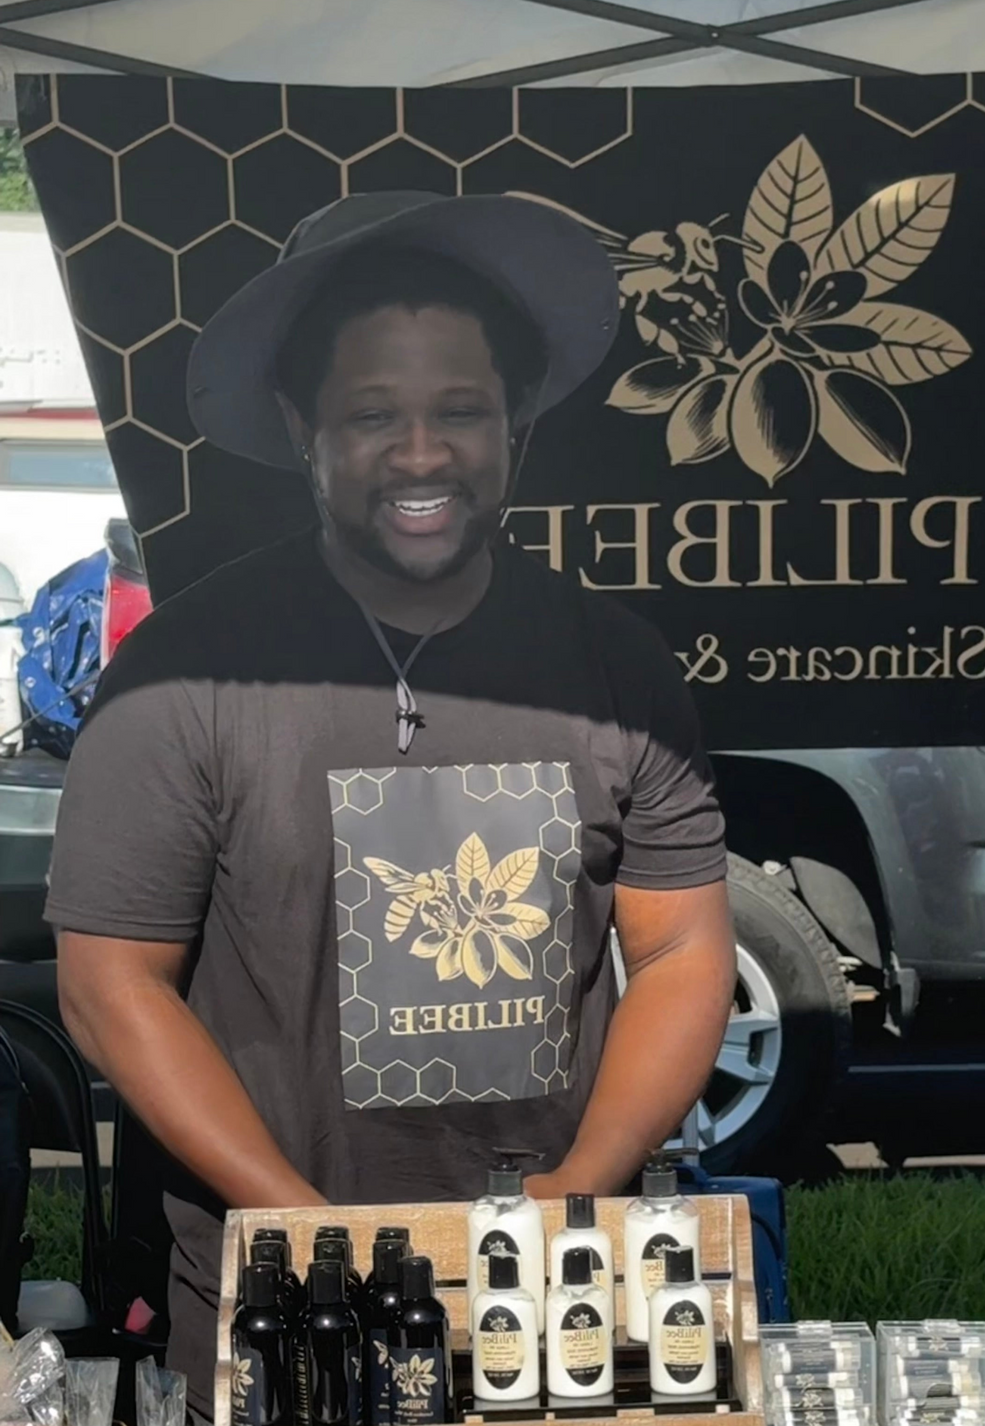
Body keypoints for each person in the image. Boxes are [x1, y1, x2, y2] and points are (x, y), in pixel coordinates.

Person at [47, 191, 736, 1419]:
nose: (421, 457)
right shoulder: (187, 675)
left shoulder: (618, 668)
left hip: (557, 1297)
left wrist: (587, 1177)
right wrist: (309, 1230)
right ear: (299, 423)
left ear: (515, 422)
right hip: (280, 1308)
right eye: (372, 417)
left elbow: (681, 947)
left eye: (460, 412)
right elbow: (111, 991)